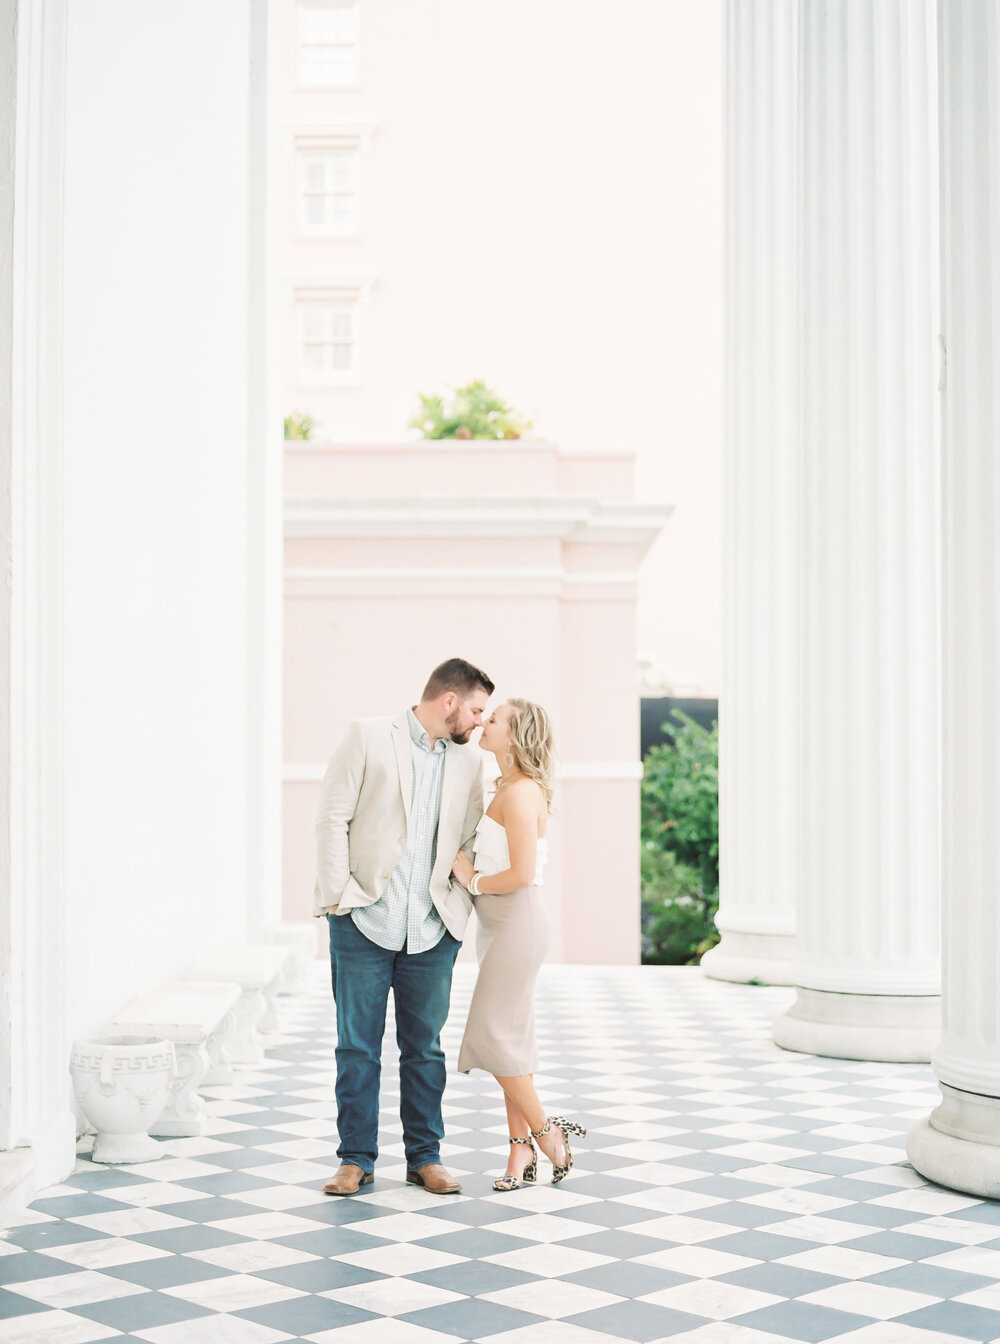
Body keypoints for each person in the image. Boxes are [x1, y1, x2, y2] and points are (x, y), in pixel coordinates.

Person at [313, 657, 493, 1196]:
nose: (480, 722)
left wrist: (459, 904)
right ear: (449, 702)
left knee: (425, 1049)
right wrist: (337, 896)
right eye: (477, 710)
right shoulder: (367, 737)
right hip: (363, 917)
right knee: (357, 1047)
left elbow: (470, 837)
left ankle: (426, 1157)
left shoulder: (470, 764)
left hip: (433, 927)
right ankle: (355, 1158)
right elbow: (331, 817)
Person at [451, 698, 588, 1189]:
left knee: (492, 1037)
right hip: (500, 927)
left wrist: (469, 880)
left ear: (517, 736)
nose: (484, 722)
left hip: (517, 924)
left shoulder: (522, 793)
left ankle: (548, 1134)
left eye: (495, 719)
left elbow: (523, 874)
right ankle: (519, 1157)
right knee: (512, 1042)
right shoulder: (506, 786)